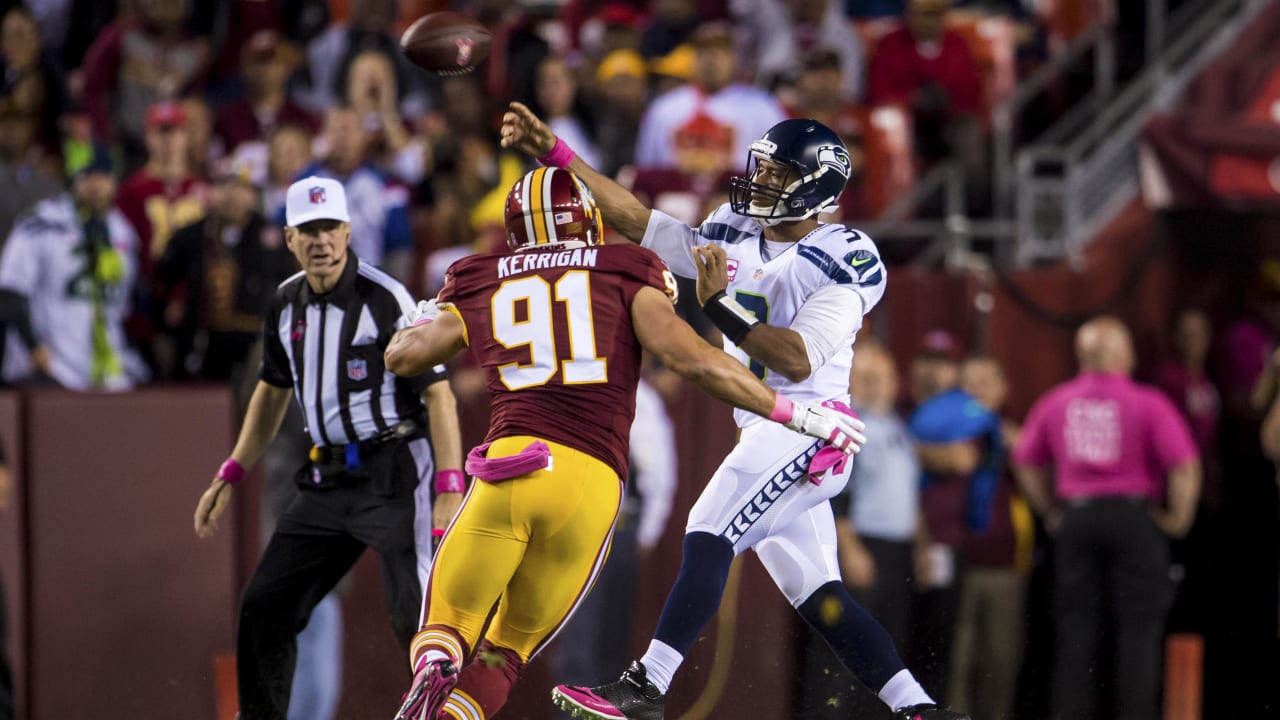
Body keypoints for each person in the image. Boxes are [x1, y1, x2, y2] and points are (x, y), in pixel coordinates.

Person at [500, 103, 969, 720]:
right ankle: (920, 710)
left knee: (707, 527)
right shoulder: (729, 227)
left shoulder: (847, 255)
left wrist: (718, 305)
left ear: (816, 188)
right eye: (763, 169)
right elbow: (636, 220)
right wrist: (556, 153)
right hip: (766, 426)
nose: (761, 182)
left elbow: (797, 359)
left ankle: (649, 685)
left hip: (812, 428)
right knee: (821, 596)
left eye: (778, 175)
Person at [384, 165, 867, 720]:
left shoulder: (483, 275)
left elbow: (404, 357)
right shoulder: (624, 268)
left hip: (507, 466)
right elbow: (694, 361)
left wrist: (419, 321)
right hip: (589, 485)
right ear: (587, 220)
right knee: (504, 655)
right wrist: (794, 413)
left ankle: (437, 661)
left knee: (447, 626)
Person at [191, 176, 464, 720]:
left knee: (420, 617)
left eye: (329, 228)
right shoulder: (285, 302)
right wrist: (231, 471)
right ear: (289, 238)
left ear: (346, 231)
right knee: (265, 605)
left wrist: (448, 485)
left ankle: (456, 714)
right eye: (308, 230)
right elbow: (272, 390)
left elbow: (439, 396)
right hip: (327, 478)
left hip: (394, 472)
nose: (321, 241)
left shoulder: (385, 297)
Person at [1012, 316, 1201, 720]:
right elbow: (1184, 466)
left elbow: (1025, 460)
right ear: (1120, 354)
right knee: (1139, 632)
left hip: (1077, 520)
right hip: (1133, 518)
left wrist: (1048, 510)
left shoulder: (1056, 400)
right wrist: (1178, 520)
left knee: (1076, 632)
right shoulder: (1147, 402)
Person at [0, 146, 144, 390]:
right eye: (87, 176)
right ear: (74, 179)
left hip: (106, 373)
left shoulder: (123, 231)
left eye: (103, 176)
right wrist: (33, 347)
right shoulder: (42, 221)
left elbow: (125, 307)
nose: (96, 185)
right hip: (50, 368)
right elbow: (10, 291)